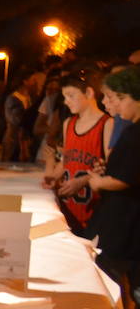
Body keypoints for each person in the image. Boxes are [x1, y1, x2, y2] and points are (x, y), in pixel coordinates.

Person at [68, 66, 140, 309]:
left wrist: (98, 181)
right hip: (123, 223)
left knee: (113, 280)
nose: (113, 106)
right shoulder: (132, 130)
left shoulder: (135, 133)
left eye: (117, 98)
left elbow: (124, 180)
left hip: (126, 226)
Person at [48, 70, 113, 234]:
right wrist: (52, 177)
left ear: (89, 92)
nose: (66, 101)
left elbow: (110, 168)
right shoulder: (68, 123)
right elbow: (66, 160)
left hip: (92, 212)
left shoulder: (106, 124)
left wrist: (82, 181)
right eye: (64, 97)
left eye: (71, 95)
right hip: (67, 208)